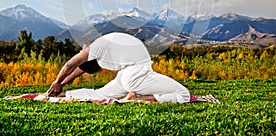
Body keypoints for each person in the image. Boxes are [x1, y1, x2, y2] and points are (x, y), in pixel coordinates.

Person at [47, 32, 192, 103]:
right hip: (135, 74)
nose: (80, 52)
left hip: (126, 76)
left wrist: (57, 83)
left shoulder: (97, 47)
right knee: (184, 94)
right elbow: (76, 67)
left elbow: (71, 64)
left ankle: (61, 96)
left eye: (81, 50)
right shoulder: (102, 45)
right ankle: (137, 98)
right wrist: (59, 84)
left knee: (98, 94)